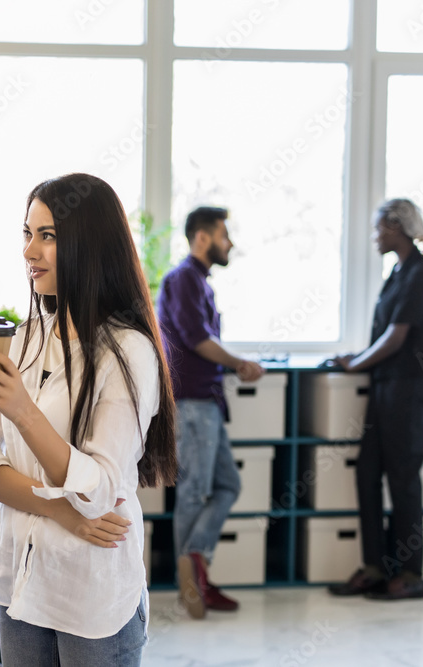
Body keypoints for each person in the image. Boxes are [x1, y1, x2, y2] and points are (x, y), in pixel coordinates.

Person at [0, 173, 178, 666]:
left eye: (48, 236)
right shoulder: (25, 337)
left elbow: (97, 491)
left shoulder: (128, 351)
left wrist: (20, 408)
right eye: (27, 233)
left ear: (89, 245)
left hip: (92, 597)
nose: (29, 251)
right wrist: (58, 511)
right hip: (21, 581)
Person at [328, 198, 423, 601]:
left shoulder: (421, 276)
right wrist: (357, 361)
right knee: (366, 473)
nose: (375, 236)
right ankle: (376, 566)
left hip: (409, 389)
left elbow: (396, 337)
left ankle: (411, 575)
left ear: (397, 228)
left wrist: (355, 364)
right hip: (386, 387)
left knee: (403, 481)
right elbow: (385, 335)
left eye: (380, 228)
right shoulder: (398, 274)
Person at [156, 206, 265, 619]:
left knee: (227, 485)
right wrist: (239, 363)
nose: (229, 242)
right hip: (192, 404)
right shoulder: (183, 279)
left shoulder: (199, 283)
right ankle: (192, 583)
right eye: (223, 234)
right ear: (201, 237)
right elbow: (198, 339)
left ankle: (194, 562)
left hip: (208, 402)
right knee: (194, 491)